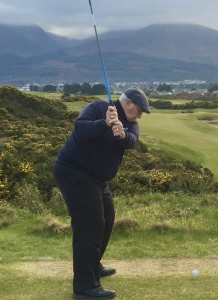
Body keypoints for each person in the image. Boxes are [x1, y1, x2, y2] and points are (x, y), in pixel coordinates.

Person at [53, 87, 150, 299]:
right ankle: (84, 287)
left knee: (107, 218)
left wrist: (122, 134)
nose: (141, 115)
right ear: (129, 103)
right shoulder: (99, 108)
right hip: (74, 172)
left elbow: (132, 140)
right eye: (140, 109)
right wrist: (104, 123)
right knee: (90, 224)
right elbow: (80, 129)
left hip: (97, 179)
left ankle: (92, 266)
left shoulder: (131, 123)